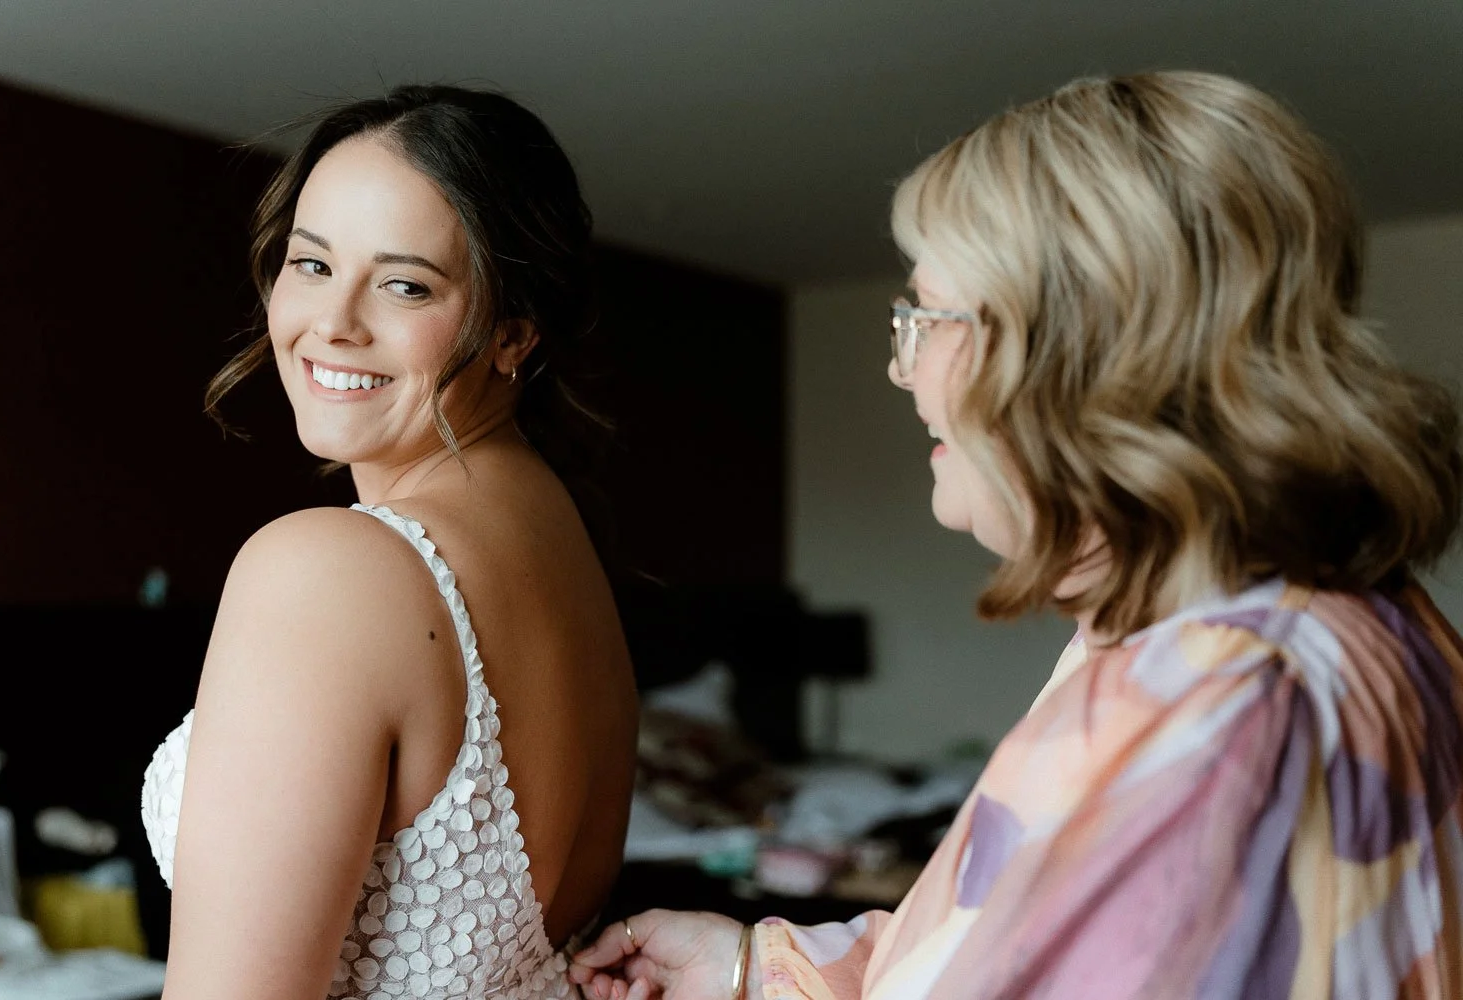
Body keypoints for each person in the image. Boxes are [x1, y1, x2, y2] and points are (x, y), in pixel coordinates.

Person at [570, 70, 1463, 999]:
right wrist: (754, 967)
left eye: (924, 315)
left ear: (1076, 347)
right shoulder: (1360, 623)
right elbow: (1000, 945)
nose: (899, 369)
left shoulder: (1208, 715)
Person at [140, 84, 639, 1000]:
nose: (333, 322)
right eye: (312, 263)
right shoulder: (566, 550)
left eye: (405, 284)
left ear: (511, 335)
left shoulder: (329, 572)